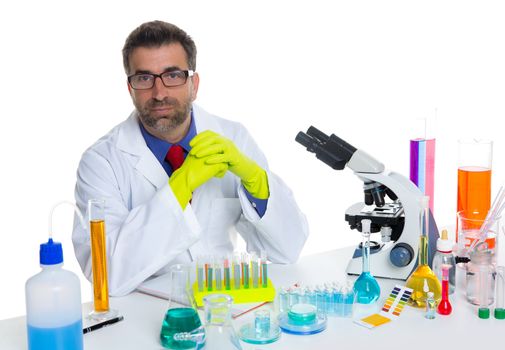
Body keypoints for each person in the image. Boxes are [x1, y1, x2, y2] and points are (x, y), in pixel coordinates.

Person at [72, 20, 309, 296]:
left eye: (173, 75)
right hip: (148, 315)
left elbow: (288, 249)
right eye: (144, 78)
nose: (159, 93)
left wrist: (258, 184)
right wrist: (179, 187)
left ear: (194, 84)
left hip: (227, 305)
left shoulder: (234, 138)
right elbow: (105, 275)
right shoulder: (101, 162)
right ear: (131, 88)